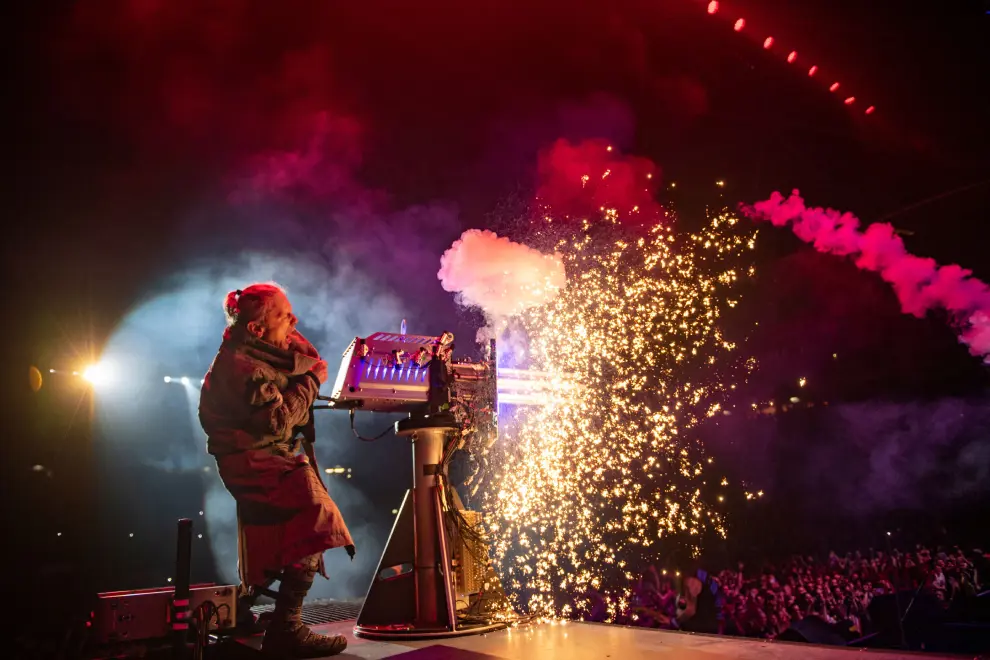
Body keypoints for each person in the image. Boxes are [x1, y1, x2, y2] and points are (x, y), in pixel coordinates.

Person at [199, 283, 354, 658]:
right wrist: (312, 380)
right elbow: (280, 423)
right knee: (316, 517)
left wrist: (287, 335)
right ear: (256, 328)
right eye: (285, 315)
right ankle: (287, 628)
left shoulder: (254, 346)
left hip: (263, 456)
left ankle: (246, 609)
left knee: (277, 533)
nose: (294, 321)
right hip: (255, 461)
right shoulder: (244, 367)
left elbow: (297, 350)